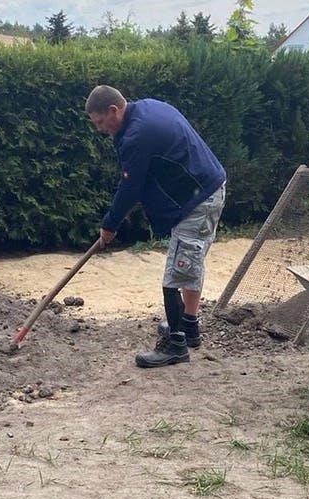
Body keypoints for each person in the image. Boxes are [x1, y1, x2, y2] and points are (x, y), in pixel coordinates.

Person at [85, 85, 227, 369]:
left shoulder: (137, 135)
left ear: (114, 110)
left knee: (176, 273)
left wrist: (109, 226)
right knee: (189, 265)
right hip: (207, 191)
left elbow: (130, 187)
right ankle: (189, 327)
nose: (100, 130)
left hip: (197, 201)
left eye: (100, 122)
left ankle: (175, 345)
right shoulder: (148, 107)